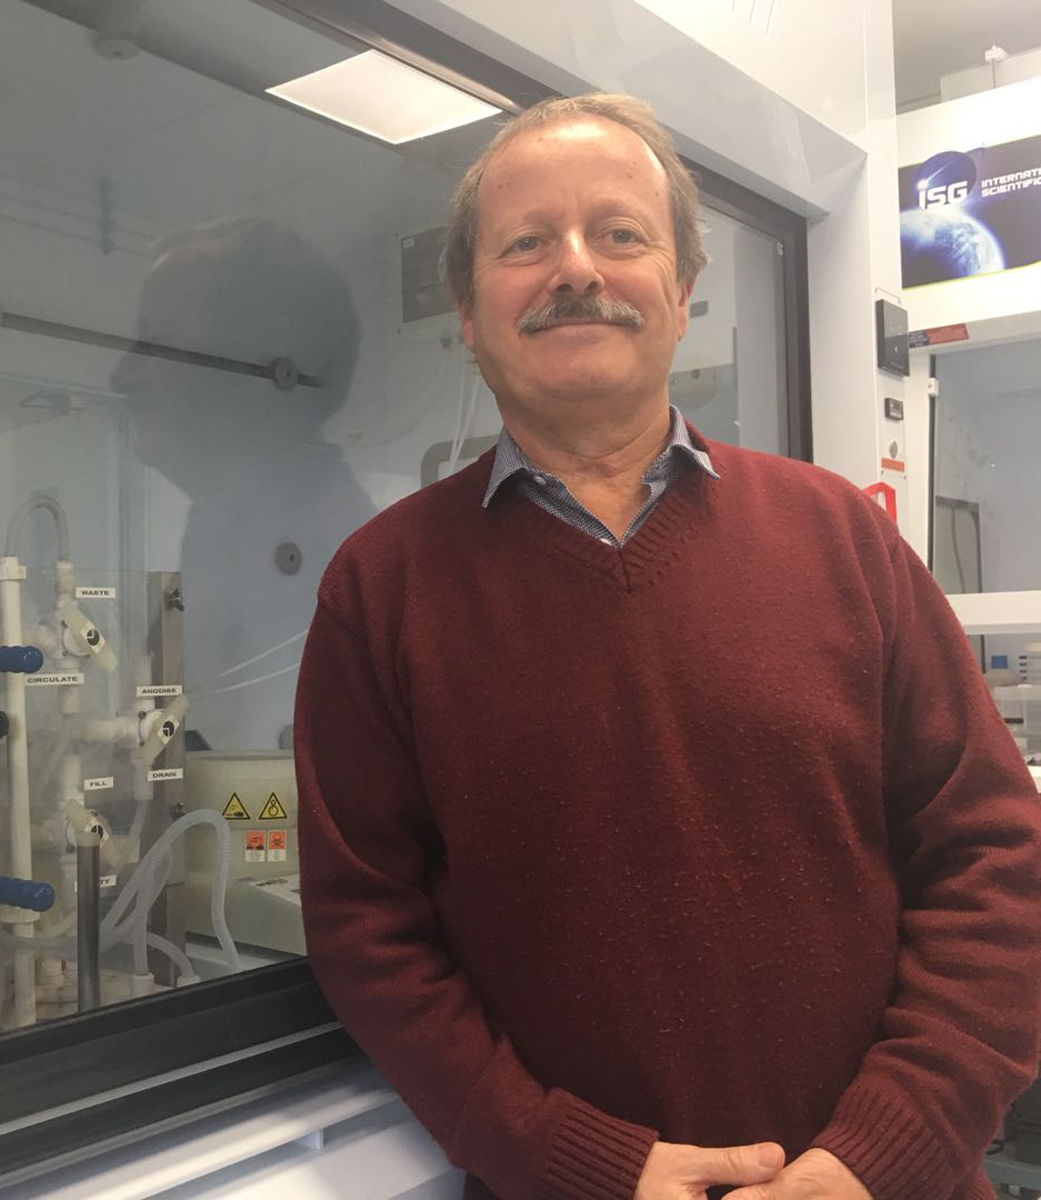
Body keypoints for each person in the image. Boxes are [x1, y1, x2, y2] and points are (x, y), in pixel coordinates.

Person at [294, 92, 1041, 1200]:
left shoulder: (839, 535)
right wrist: (565, 1160)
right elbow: (369, 933)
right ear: (466, 307)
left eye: (619, 233)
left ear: (683, 290)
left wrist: (883, 1150)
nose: (575, 269)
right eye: (525, 243)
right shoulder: (381, 586)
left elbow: (991, 857)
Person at [112, 218, 374, 751]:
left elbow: (263, 781)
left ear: (268, 372)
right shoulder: (220, 522)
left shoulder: (334, 559)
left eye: (155, 343)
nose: (120, 374)